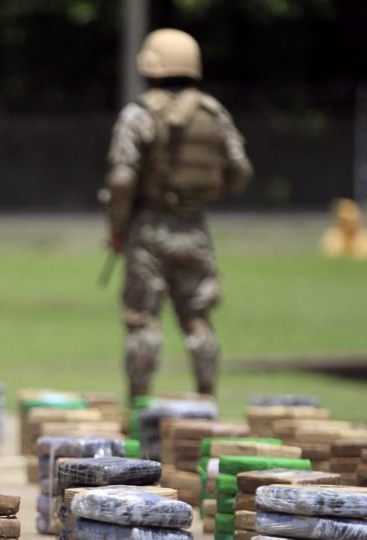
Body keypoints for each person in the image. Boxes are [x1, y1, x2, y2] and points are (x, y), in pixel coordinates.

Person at [99, 28, 253, 405]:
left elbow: (121, 178)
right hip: (195, 229)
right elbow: (241, 171)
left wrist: (117, 226)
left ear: (151, 68)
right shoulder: (214, 113)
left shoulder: (139, 114)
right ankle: (206, 401)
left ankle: (138, 406)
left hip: (148, 230)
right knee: (198, 319)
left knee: (143, 322)